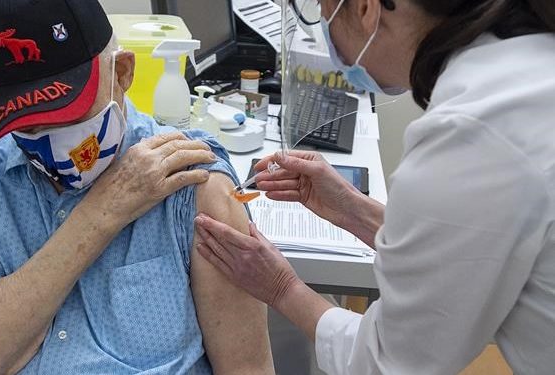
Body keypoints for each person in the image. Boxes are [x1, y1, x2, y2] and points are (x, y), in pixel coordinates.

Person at [195, 0, 555, 374]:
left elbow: (389, 364)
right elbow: (465, 246)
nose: (325, 35)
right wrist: (352, 209)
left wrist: (281, 287)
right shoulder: (522, 66)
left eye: (322, 13)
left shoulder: (472, 134)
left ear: (367, 8)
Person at [0, 0, 275, 374]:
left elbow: (247, 368)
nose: (49, 143)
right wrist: (102, 212)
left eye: (68, 114)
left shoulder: (192, 183)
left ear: (122, 73)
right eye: (27, 126)